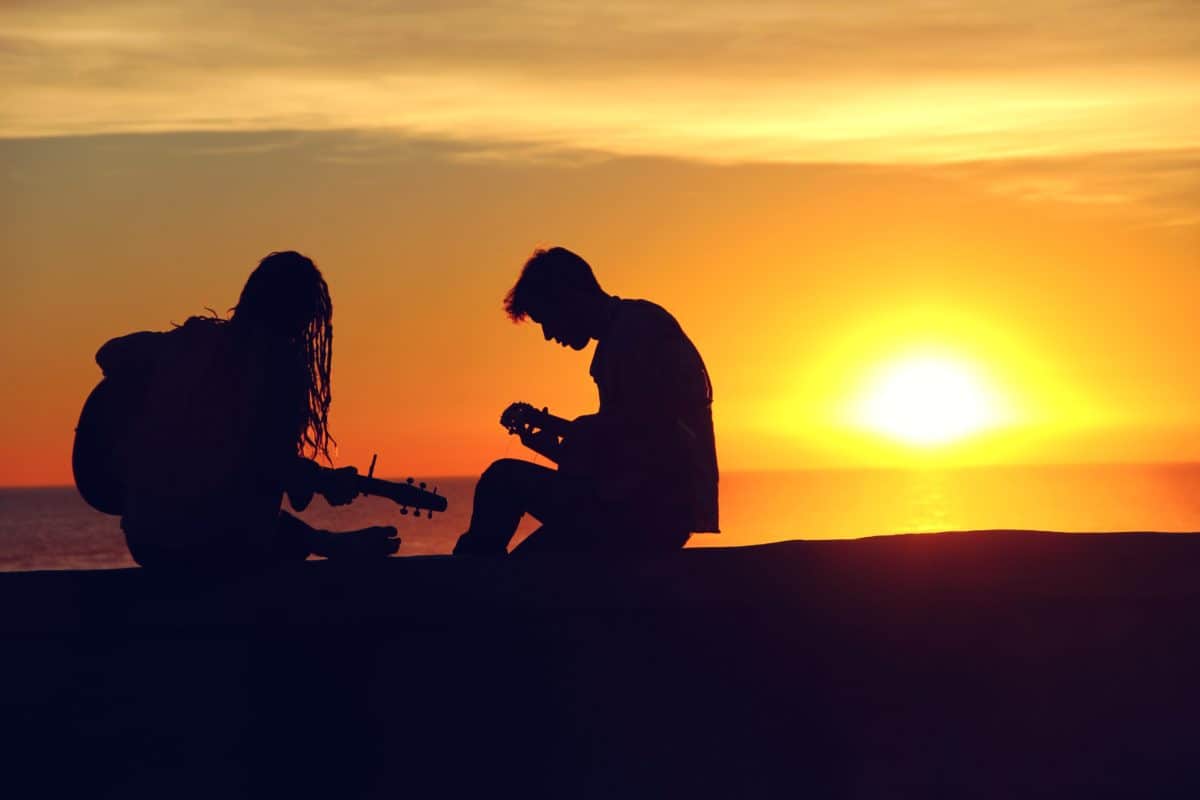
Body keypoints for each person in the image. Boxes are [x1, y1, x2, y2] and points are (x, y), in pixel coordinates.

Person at [86, 251, 398, 572]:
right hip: (213, 546)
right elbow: (263, 465)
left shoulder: (192, 342)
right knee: (256, 520)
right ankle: (331, 544)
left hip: (146, 538)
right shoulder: (279, 369)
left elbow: (109, 353)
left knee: (242, 508)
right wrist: (317, 480)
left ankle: (327, 542)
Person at [453, 246, 718, 556]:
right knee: (521, 562)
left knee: (502, 479)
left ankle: (466, 584)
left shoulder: (639, 330)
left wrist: (578, 433)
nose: (549, 335)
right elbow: (620, 452)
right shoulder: (625, 332)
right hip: (640, 509)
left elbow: (654, 436)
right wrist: (559, 448)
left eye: (546, 320)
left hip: (649, 515)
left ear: (568, 297)